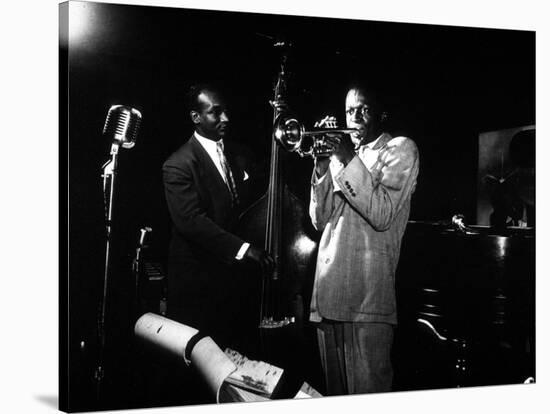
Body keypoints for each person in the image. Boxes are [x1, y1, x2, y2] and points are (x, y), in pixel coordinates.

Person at [308, 85, 419, 395]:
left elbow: (382, 213)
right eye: (349, 111)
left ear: (380, 114)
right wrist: (321, 166)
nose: (354, 117)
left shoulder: (400, 149)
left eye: (363, 109)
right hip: (327, 296)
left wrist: (346, 156)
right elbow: (319, 220)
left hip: (367, 301)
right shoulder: (340, 157)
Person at [162, 84, 274, 354]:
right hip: (198, 290)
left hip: (233, 287)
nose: (226, 118)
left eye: (226, 111)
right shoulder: (177, 164)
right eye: (216, 112)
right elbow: (192, 222)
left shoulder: (240, 154)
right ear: (195, 117)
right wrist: (245, 249)